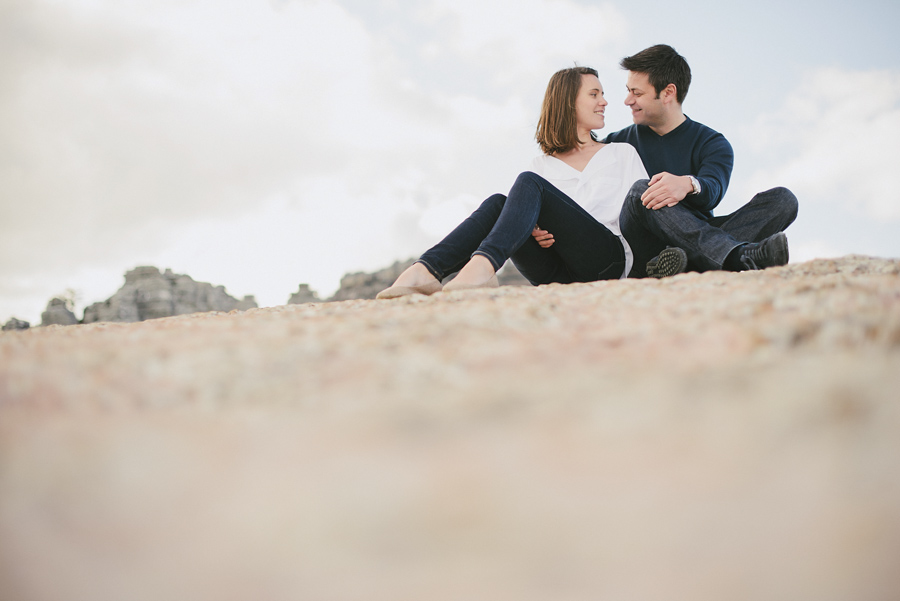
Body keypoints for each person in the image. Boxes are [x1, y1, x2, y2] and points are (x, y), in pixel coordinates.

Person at [377, 66, 648, 299]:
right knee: (498, 203)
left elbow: (642, 219)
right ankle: (424, 271)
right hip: (555, 270)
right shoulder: (541, 167)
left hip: (605, 262)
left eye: (602, 94)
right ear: (568, 101)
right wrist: (533, 229)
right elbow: (521, 216)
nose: (604, 102)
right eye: (594, 94)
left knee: (529, 183)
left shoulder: (620, 153)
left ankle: (482, 267)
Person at [602, 44, 799, 278]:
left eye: (637, 93)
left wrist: (687, 184)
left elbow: (713, 189)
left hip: (697, 236)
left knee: (784, 200)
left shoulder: (712, 143)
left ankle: (680, 264)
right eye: (628, 90)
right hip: (644, 245)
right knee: (641, 191)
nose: (627, 100)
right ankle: (738, 256)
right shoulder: (616, 142)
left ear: (667, 93)